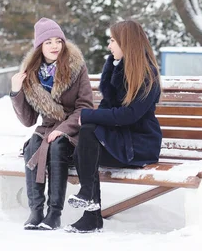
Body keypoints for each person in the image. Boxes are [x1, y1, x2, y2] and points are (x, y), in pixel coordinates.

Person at [65, 20, 162, 233]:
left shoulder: (147, 76)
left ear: (126, 43)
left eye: (112, 41)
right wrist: (89, 119)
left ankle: (90, 209)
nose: (109, 46)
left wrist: (88, 115)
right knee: (87, 137)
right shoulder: (114, 69)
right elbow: (108, 111)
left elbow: (129, 116)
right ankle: (89, 204)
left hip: (139, 144)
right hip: (119, 139)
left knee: (87, 141)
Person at [10, 18, 93, 230]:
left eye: (58, 40)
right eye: (48, 42)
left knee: (57, 145)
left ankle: (54, 214)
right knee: (32, 146)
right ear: (40, 46)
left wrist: (63, 129)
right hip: (46, 128)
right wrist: (16, 92)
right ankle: (36, 212)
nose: (55, 46)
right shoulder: (32, 73)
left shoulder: (76, 67)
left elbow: (85, 106)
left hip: (73, 129)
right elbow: (28, 120)